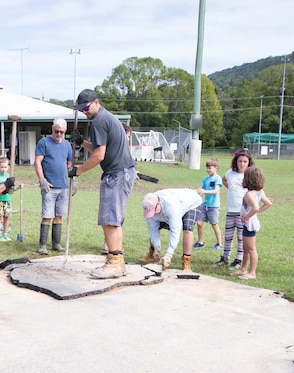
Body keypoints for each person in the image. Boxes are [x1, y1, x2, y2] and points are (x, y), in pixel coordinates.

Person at [68, 89, 137, 278]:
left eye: (86, 108)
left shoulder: (98, 121)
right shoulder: (107, 118)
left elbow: (99, 156)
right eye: (81, 110)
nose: (84, 112)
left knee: (109, 220)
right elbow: (99, 148)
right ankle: (118, 261)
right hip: (124, 172)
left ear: (96, 102)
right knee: (114, 221)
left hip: (115, 174)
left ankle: (114, 263)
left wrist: (78, 171)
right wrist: (82, 142)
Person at [34, 118, 74, 254]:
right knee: (47, 216)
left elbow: (69, 164)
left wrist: (73, 181)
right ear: (52, 129)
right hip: (49, 186)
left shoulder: (67, 145)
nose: (58, 135)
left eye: (61, 132)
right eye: (56, 131)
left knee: (59, 216)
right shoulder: (44, 142)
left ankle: (56, 243)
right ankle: (42, 245)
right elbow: (37, 162)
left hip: (63, 186)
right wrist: (42, 180)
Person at [140, 188, 203, 272]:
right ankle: (152, 255)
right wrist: (157, 247)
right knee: (156, 225)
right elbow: (153, 229)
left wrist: (169, 254)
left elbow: (175, 231)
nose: (153, 214)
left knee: (187, 228)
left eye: (154, 211)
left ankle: (186, 261)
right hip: (174, 204)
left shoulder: (171, 207)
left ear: (158, 204)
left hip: (191, 203)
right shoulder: (149, 206)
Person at [216, 149, 254, 270]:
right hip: (230, 210)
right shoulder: (230, 173)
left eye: (245, 162)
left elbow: (256, 189)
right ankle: (225, 257)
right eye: (240, 161)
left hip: (242, 211)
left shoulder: (249, 175)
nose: (242, 164)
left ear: (248, 163)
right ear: (236, 161)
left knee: (241, 237)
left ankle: (239, 258)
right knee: (228, 236)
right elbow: (224, 179)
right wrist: (230, 188)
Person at [234, 166, 273, 280]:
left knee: (251, 249)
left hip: (249, 225)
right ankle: (243, 268)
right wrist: (255, 213)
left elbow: (255, 207)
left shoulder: (249, 194)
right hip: (250, 223)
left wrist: (247, 216)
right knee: (246, 248)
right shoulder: (259, 192)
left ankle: (252, 272)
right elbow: (268, 203)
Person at [194, 158, 222, 250]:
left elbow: (215, 191)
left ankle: (219, 243)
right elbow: (200, 189)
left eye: (210, 168)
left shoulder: (218, 178)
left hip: (213, 206)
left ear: (216, 168)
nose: (208, 169)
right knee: (199, 223)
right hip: (204, 205)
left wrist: (204, 191)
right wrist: (193, 191)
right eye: (207, 168)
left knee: (214, 224)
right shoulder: (205, 179)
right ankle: (200, 242)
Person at [0, 157, 19, 241]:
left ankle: (5, 233)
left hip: (7, 200)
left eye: (5, 167)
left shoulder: (9, 177)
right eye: (1, 167)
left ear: (8, 167)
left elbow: (12, 190)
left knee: (6, 217)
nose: (3, 169)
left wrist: (18, 187)